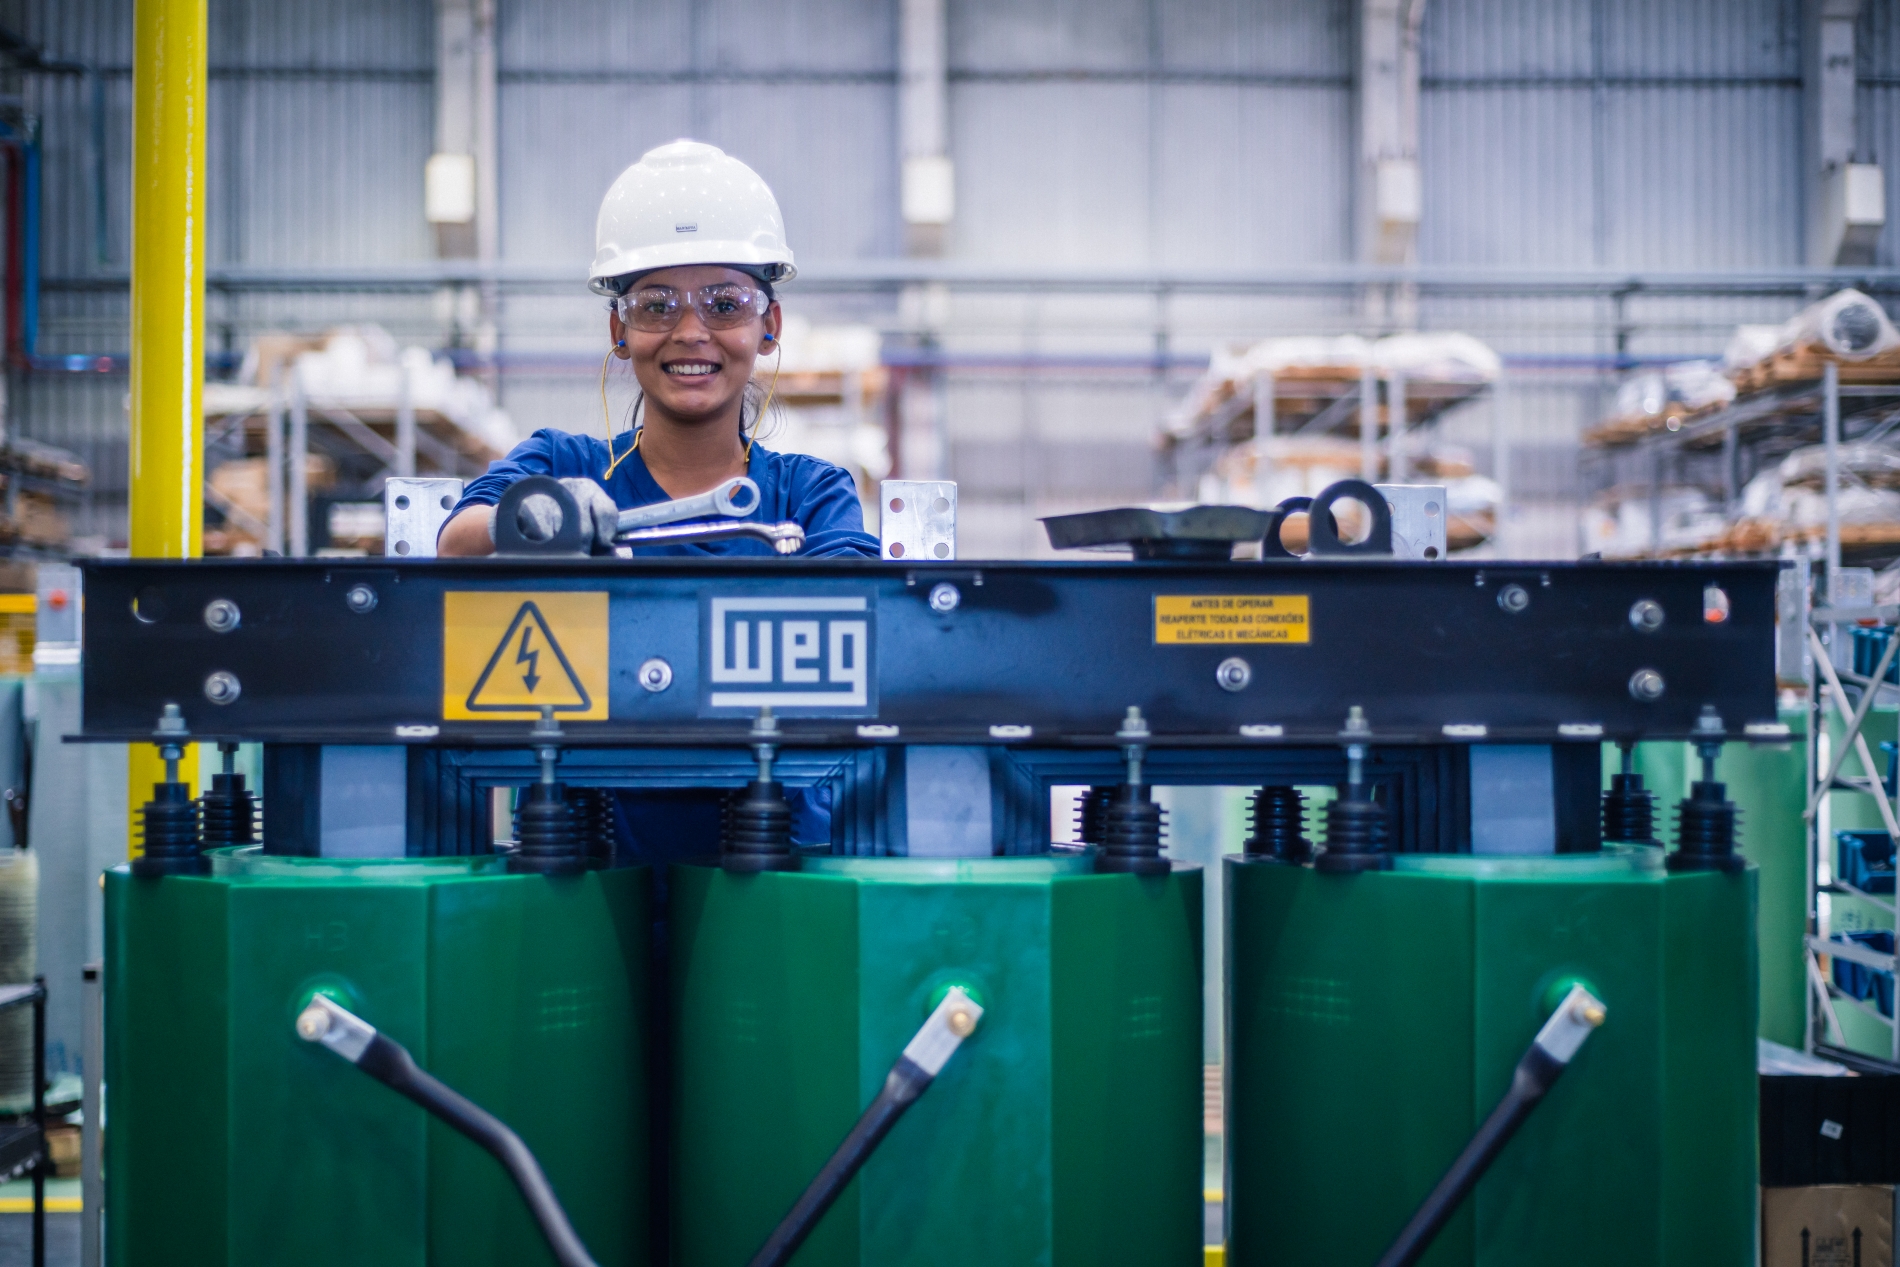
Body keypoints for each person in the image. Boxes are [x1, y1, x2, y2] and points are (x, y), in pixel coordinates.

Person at [438, 138, 879, 561]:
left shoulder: (811, 494)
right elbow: (454, 544)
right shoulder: (559, 464)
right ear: (619, 331)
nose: (690, 332)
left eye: (724, 305)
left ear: (769, 328)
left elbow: (862, 609)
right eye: (656, 306)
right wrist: (525, 517)